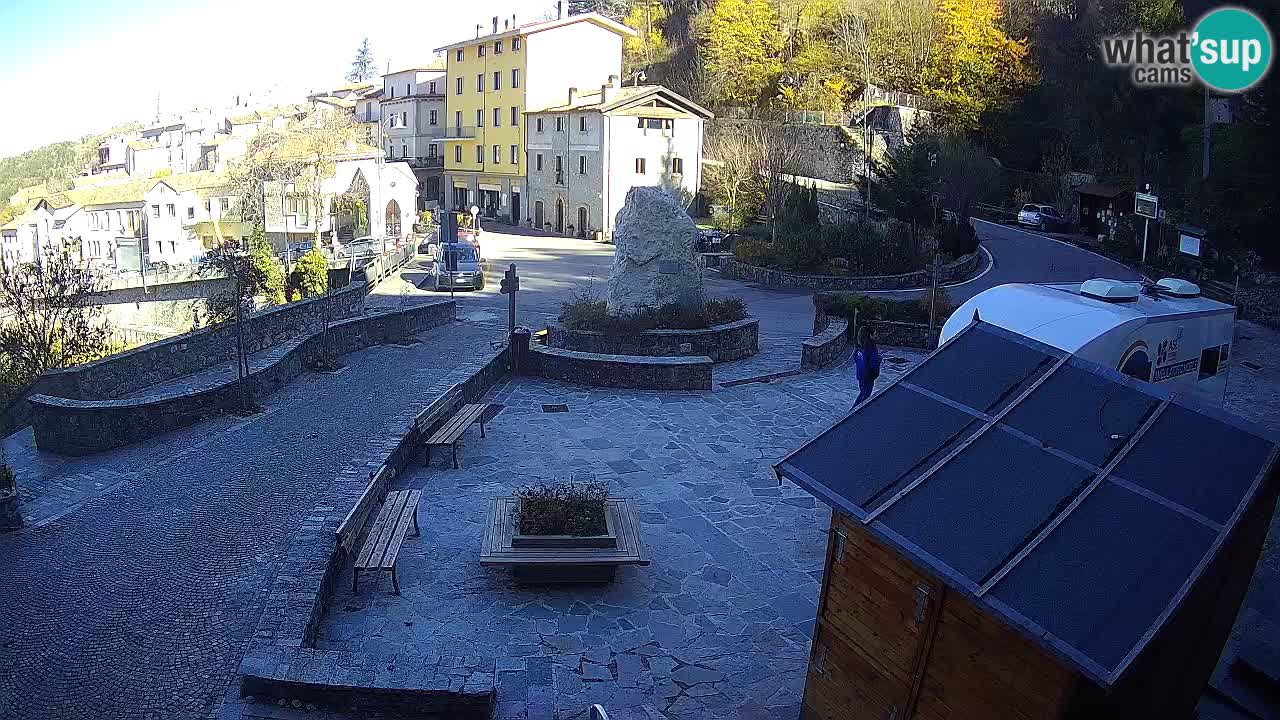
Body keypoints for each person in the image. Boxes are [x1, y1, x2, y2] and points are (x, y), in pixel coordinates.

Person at [853, 325, 881, 406]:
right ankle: (853, 411)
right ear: (870, 335)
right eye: (875, 334)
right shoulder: (871, 348)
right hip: (868, 376)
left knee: (862, 392)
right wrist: (879, 359)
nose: (876, 336)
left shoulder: (859, 346)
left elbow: (855, 358)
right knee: (865, 395)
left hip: (860, 375)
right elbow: (873, 364)